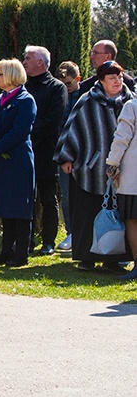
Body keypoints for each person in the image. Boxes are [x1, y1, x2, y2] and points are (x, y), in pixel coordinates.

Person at [55, 61, 134, 272]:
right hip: (90, 169)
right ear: (101, 81)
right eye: (112, 78)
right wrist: (67, 157)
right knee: (88, 214)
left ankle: (114, 258)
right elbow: (72, 128)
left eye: (119, 77)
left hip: (123, 173)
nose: (117, 81)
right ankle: (86, 258)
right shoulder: (87, 100)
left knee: (118, 214)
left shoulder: (129, 101)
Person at [0, 59, 37, 267]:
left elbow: (18, 132)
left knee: (19, 207)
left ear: (11, 75)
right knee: (6, 207)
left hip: (17, 160)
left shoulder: (25, 100)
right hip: (0, 160)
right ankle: (5, 251)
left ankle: (20, 253)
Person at [22, 45, 66, 255]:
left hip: (47, 150)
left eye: (28, 58)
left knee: (48, 198)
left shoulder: (57, 87)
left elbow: (53, 121)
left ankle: (48, 240)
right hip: (24, 150)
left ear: (40, 61)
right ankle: (26, 240)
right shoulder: (22, 86)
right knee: (25, 197)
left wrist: (25, 129)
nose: (24, 61)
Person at [105, 91, 137, 281]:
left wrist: (112, 163)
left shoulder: (132, 107)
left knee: (133, 221)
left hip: (133, 177)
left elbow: (122, 138)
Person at [56, 61, 81, 252]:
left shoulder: (85, 98)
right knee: (66, 195)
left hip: (82, 154)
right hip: (63, 153)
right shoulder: (59, 97)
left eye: (69, 83)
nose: (66, 87)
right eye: (62, 84)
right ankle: (71, 231)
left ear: (78, 79)